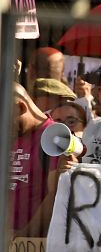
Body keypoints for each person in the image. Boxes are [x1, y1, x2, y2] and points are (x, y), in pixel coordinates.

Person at [10, 83, 61, 237]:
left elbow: (56, 195)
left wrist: (21, 236)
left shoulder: (55, 137)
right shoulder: (11, 134)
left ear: (20, 108)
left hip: (30, 250)